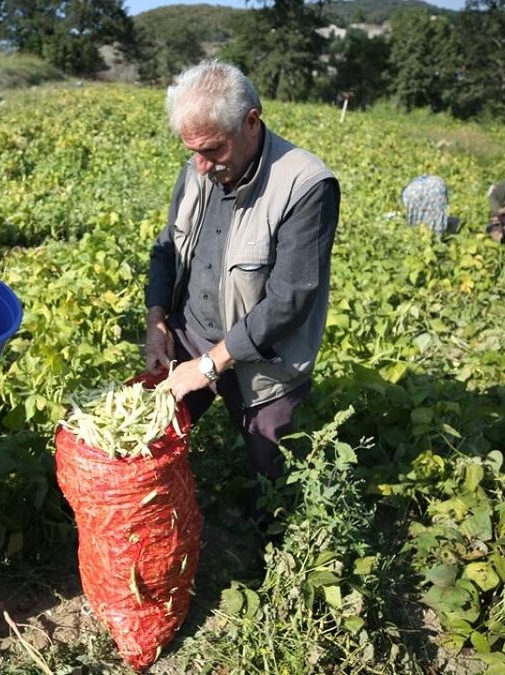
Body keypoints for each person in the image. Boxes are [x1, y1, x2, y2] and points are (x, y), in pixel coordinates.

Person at [145, 60, 340, 522]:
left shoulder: (305, 184)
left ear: (251, 121)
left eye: (212, 150)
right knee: (147, 434)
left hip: (266, 360)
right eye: (192, 151)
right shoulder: (197, 170)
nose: (201, 165)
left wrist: (210, 365)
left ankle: (270, 552)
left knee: (270, 469)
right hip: (191, 332)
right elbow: (166, 250)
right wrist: (157, 321)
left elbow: (291, 298)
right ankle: (161, 523)